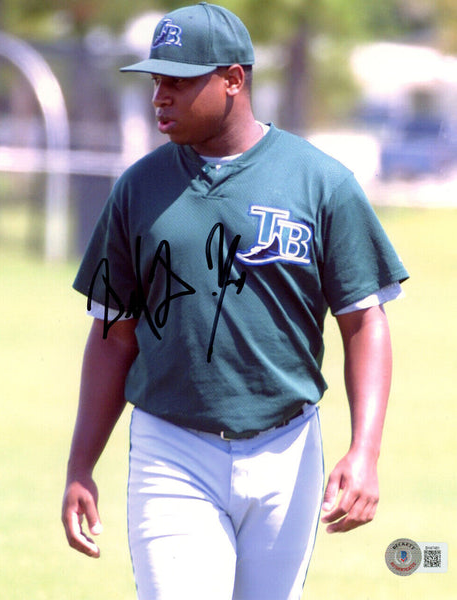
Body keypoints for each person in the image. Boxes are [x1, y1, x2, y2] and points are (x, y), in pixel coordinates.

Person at [61, 3, 409, 599]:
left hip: (287, 448)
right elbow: (113, 338)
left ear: (233, 79)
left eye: (178, 80)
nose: (159, 97)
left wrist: (365, 450)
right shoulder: (137, 189)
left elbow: (363, 322)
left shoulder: (320, 182)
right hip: (170, 447)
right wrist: (79, 467)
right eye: (155, 82)